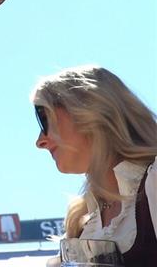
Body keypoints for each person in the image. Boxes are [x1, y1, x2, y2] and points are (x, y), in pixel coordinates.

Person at [32, 65, 157, 266]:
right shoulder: (81, 224)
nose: (40, 141)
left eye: (44, 119)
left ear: (90, 111)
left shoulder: (154, 183)